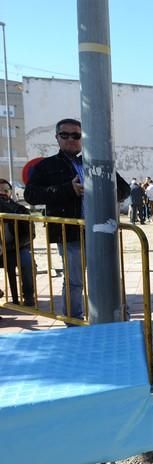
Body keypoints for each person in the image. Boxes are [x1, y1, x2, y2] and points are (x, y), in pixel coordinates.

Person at [24, 118, 130, 322]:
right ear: (57, 138)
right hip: (70, 233)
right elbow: (31, 195)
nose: (71, 139)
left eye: (76, 135)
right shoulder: (47, 166)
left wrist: (104, 188)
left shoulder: (94, 161)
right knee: (74, 282)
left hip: (100, 231)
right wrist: (67, 189)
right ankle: (74, 322)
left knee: (108, 278)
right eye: (65, 135)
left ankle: (114, 319)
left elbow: (123, 190)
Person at [0, 179, 35, 306]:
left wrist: (10, 247)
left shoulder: (20, 209)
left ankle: (29, 295)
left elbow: (31, 234)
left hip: (17, 247)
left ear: (10, 192)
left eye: (5, 190)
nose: (2, 193)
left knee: (26, 261)